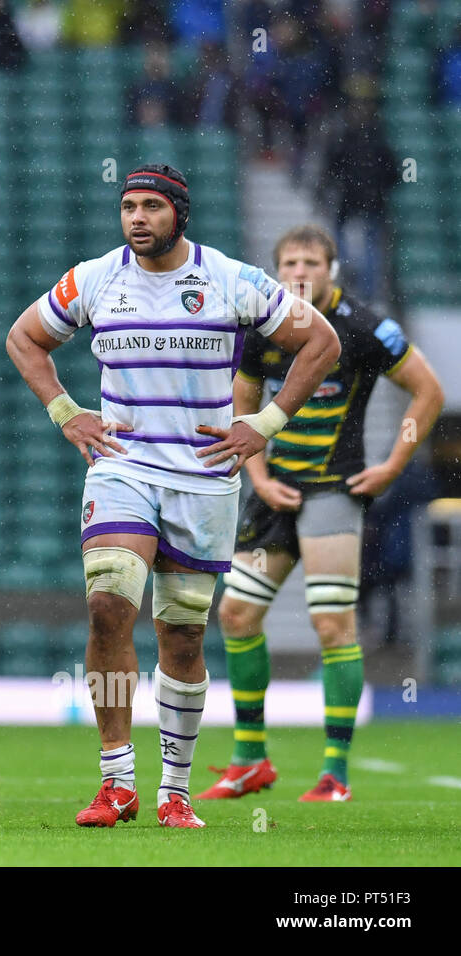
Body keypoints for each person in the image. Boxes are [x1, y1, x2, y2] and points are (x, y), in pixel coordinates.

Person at [5, 164, 341, 829]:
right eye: (128, 206)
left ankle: (175, 791)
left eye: (151, 207)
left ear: (178, 215)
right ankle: (117, 780)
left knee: (183, 639)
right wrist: (66, 411)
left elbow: (320, 343)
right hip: (121, 469)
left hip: (205, 479)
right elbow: (24, 337)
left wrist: (264, 423)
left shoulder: (233, 279)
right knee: (107, 605)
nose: (136, 218)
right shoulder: (94, 278)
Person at [200, 224, 443, 802]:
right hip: (276, 492)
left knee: (332, 624)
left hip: (334, 488)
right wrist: (256, 471)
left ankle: (335, 773)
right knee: (235, 613)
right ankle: (249, 760)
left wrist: (392, 464)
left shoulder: (363, 326)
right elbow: (245, 393)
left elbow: (428, 391)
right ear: (277, 269)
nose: (299, 272)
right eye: (289, 263)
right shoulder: (265, 323)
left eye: (311, 261)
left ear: (332, 270)